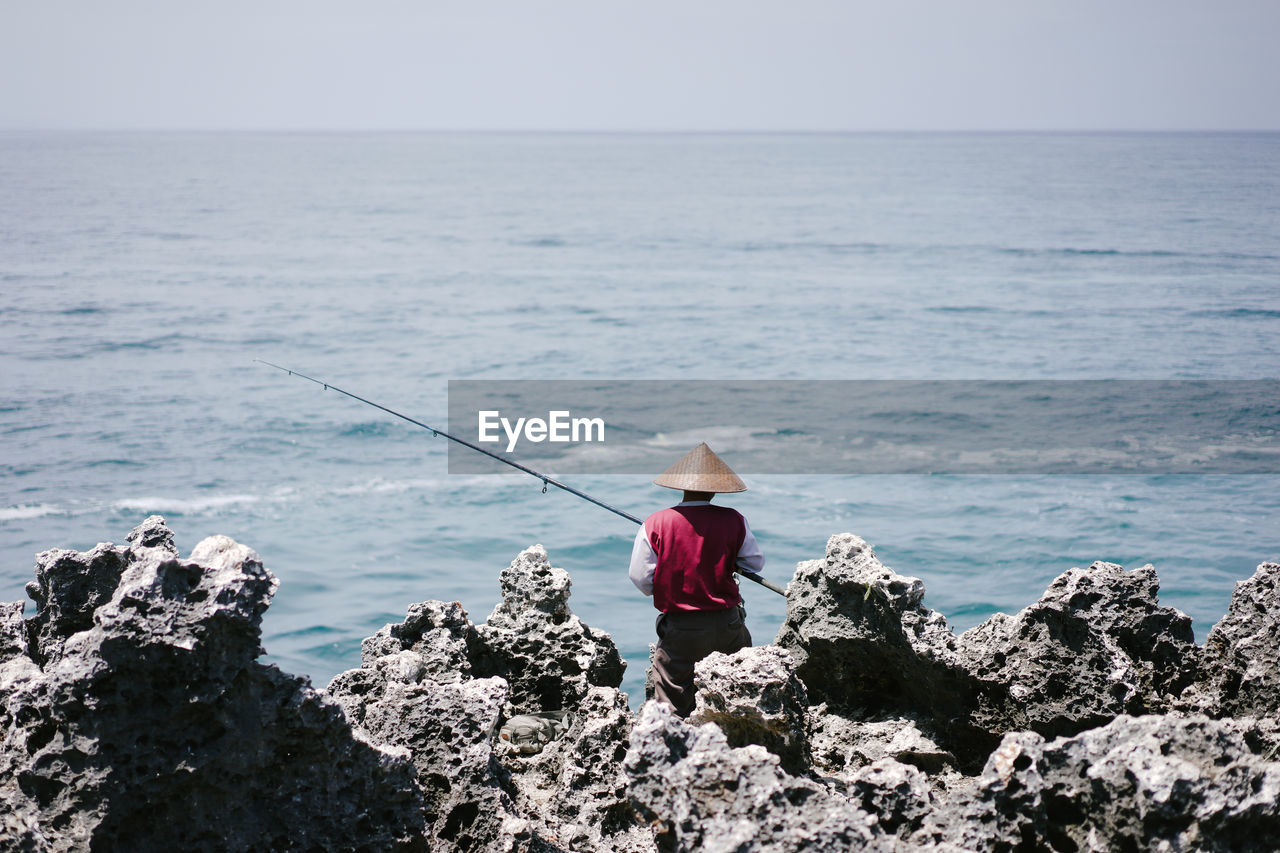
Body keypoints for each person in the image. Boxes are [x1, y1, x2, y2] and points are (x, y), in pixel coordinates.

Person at [628, 442, 765, 716]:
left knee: (672, 702)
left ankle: (677, 751)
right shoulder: (734, 519)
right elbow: (754, 563)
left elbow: (640, 578)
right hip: (727, 624)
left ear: (681, 486)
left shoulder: (656, 522)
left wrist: (670, 586)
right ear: (716, 488)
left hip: (680, 627)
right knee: (735, 695)